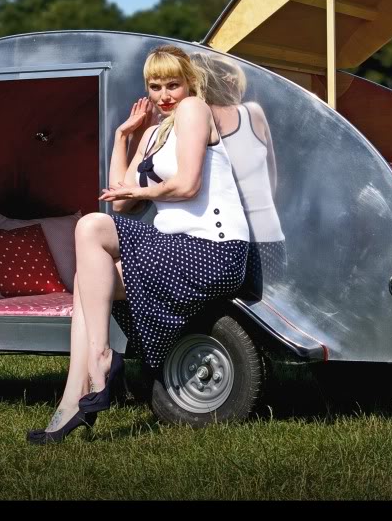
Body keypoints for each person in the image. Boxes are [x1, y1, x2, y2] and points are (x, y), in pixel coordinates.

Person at [27, 44, 250, 444]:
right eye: (155, 86)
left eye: (172, 84)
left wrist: (146, 193)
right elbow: (122, 197)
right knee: (86, 284)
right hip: (178, 249)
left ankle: (102, 361)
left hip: (213, 250)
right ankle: (73, 402)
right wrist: (122, 137)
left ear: (190, 83)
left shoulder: (194, 111)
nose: (164, 95)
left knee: (92, 228)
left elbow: (187, 185)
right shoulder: (150, 134)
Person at [191, 52, 286, 295]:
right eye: (229, 75)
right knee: (268, 318)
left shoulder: (196, 116)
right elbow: (271, 179)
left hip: (223, 241)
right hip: (269, 235)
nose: (234, 81)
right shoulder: (253, 112)